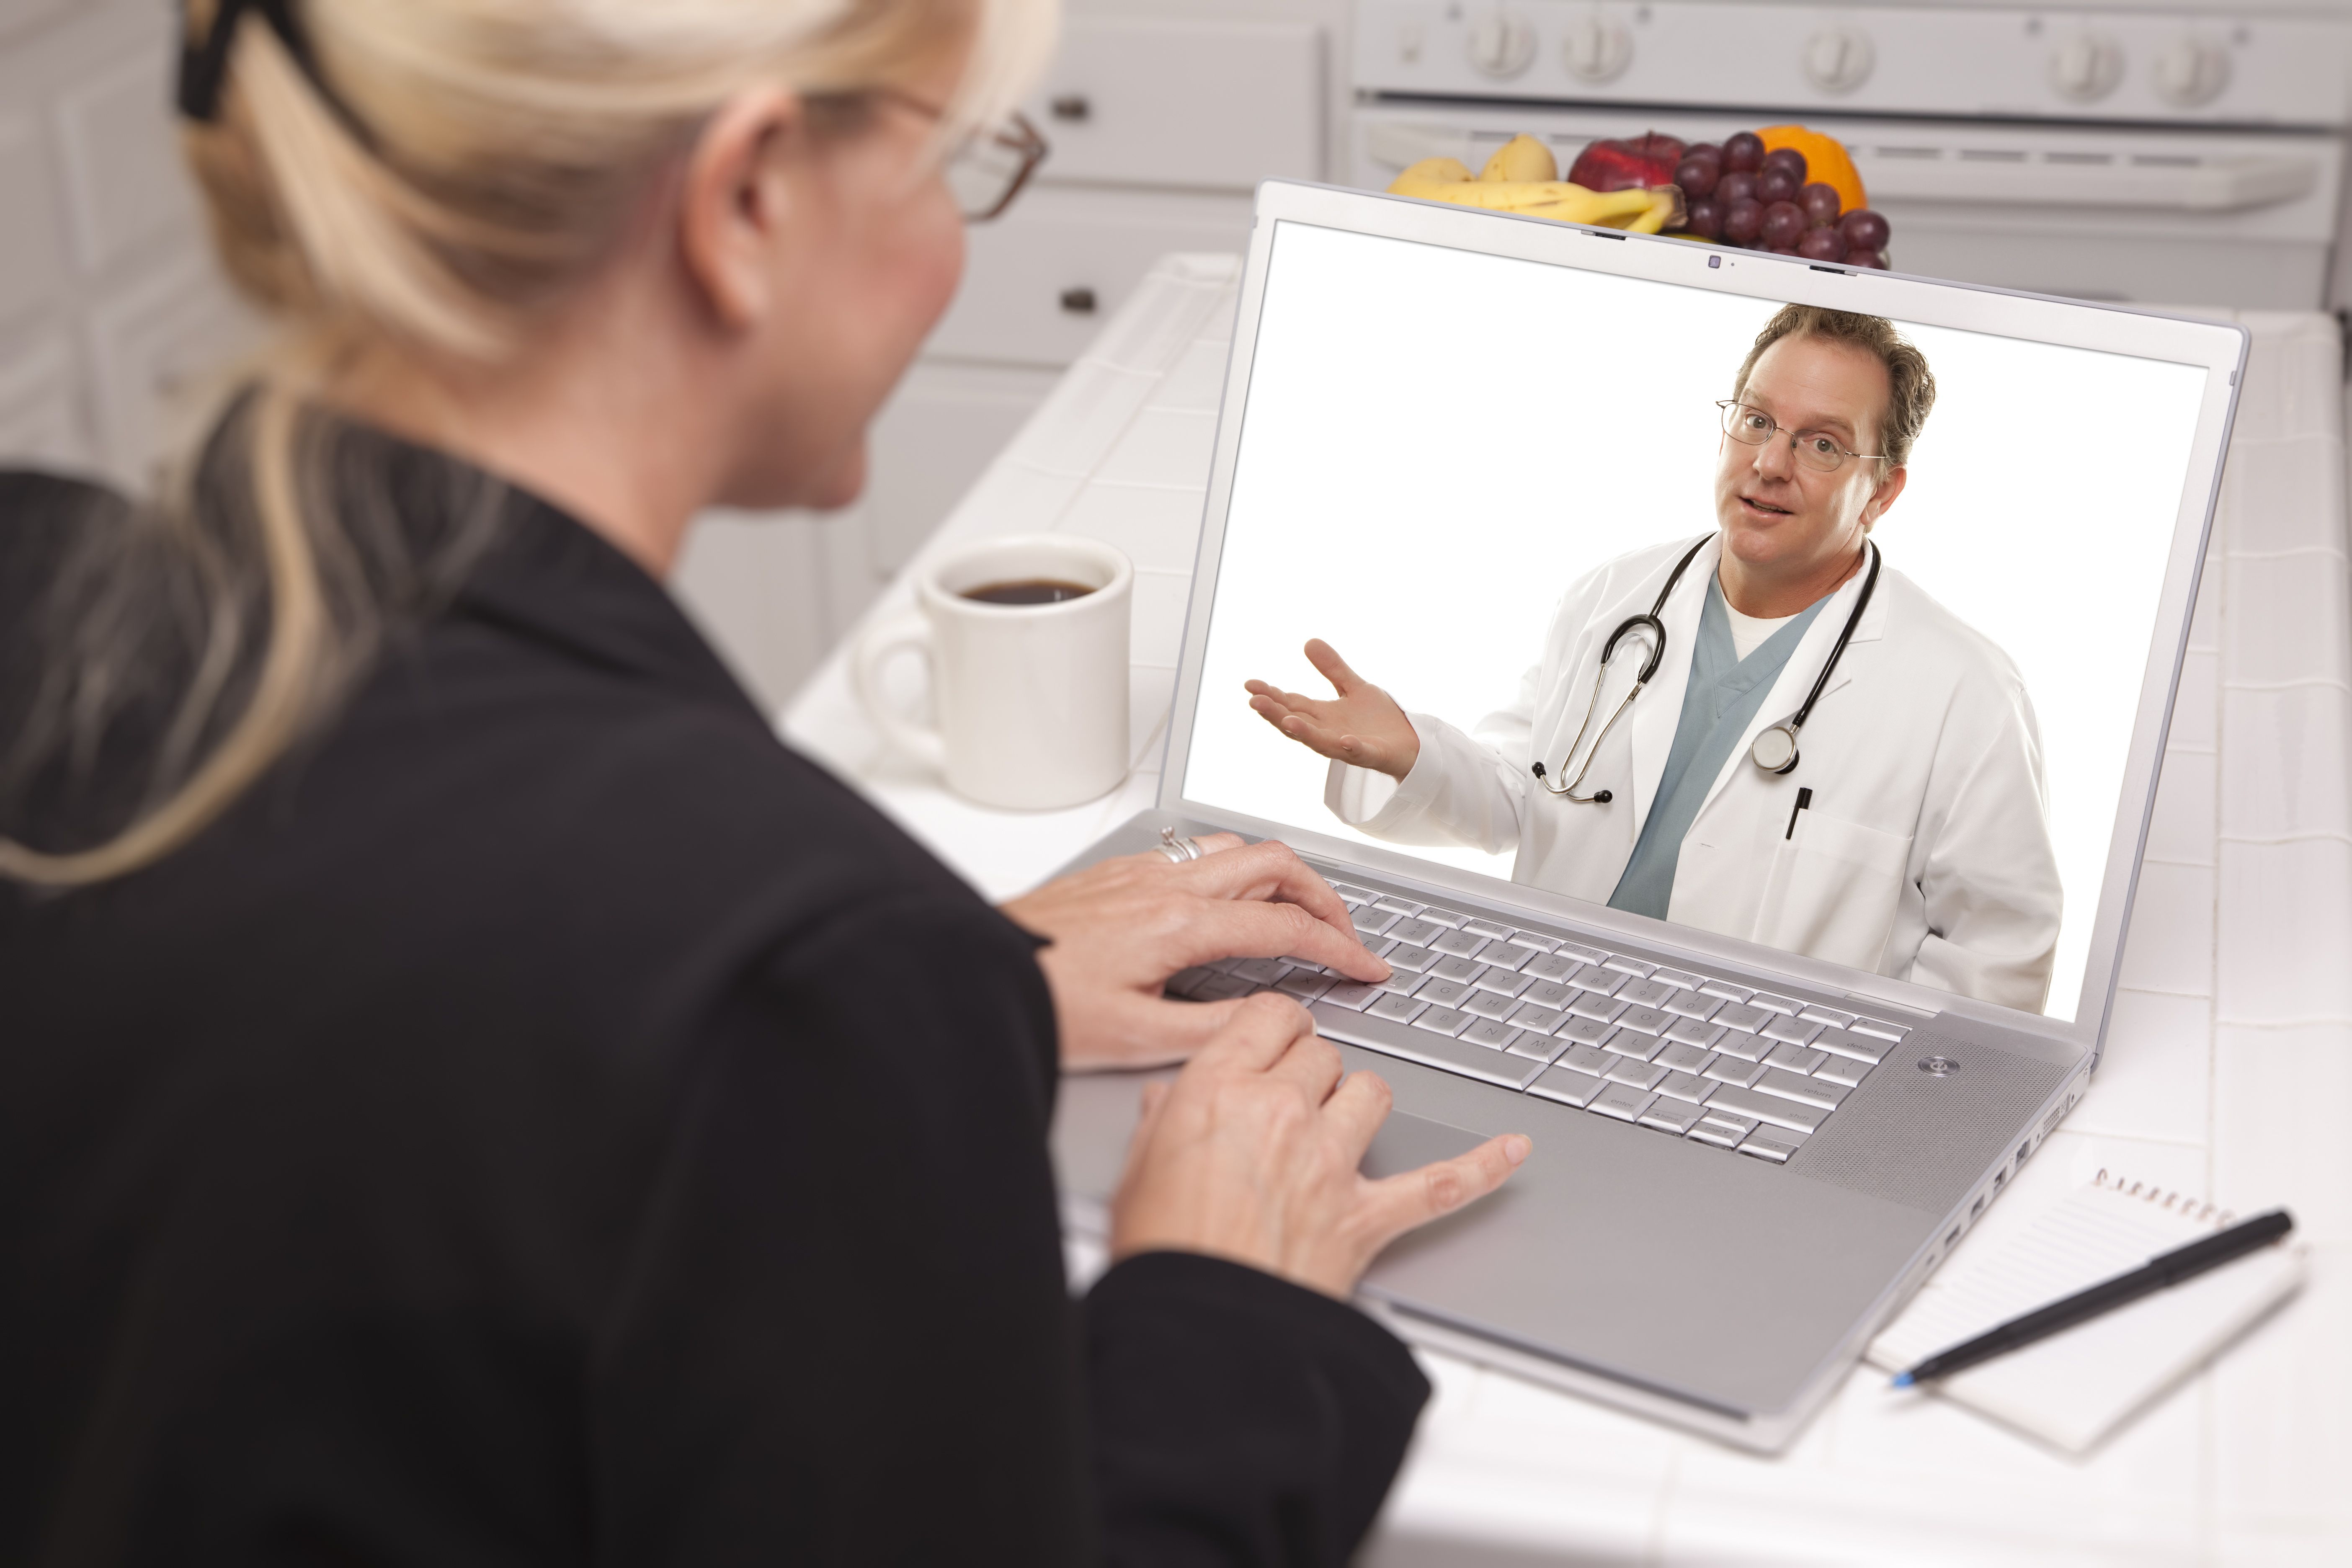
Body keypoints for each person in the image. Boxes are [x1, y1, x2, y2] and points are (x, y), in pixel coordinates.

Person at [0, 1, 1529, 1561]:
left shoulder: (35, 592)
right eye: (950, 163)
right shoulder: (794, 963)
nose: (951, 240)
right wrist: (1229, 1308)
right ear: (744, 201)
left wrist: (942, 988)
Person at [1246, 307, 2064, 1012]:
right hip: (1544, 1010)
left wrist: (1866, 1089)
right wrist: (1412, 753)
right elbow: (1523, 799)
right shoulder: (1613, 599)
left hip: (1769, 1078)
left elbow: (1999, 955)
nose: (1770, 463)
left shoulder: (1964, 690)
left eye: (1822, 444)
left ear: (1883, 492)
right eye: (1756, 421)